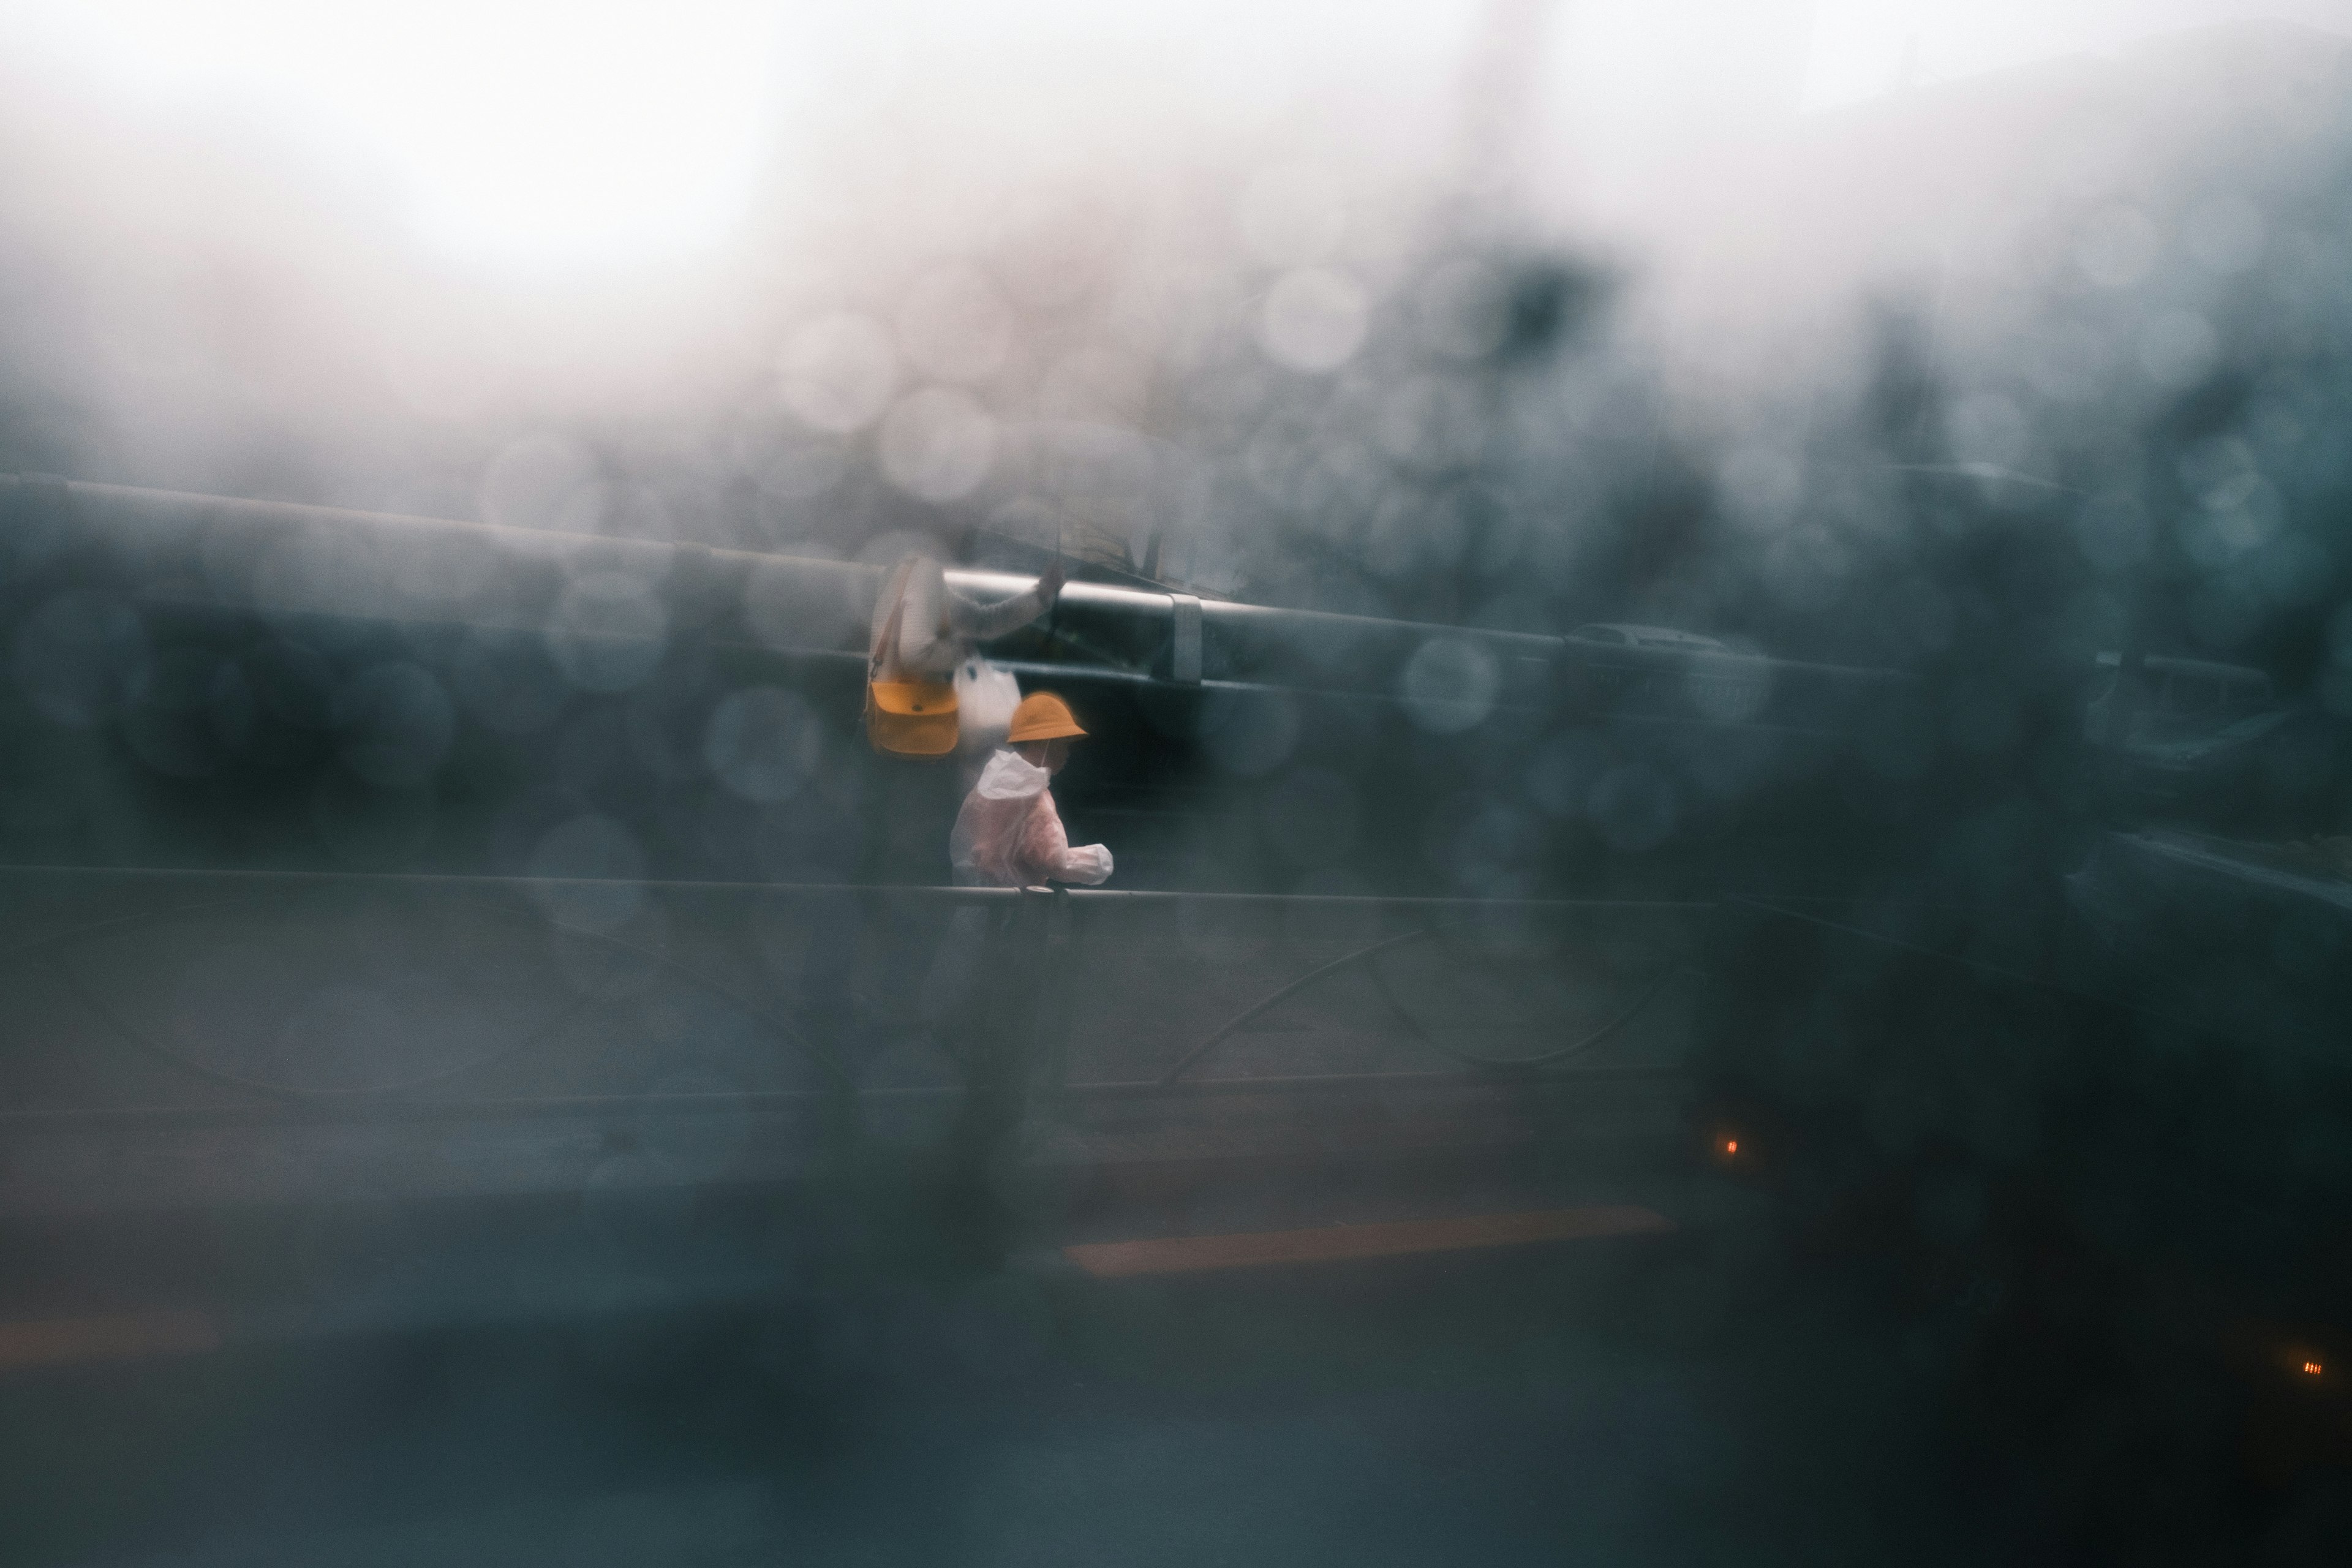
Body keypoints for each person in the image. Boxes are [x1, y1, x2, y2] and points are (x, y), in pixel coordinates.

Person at [948, 692, 1113, 888]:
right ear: (1045, 743)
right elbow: (1051, 860)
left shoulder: (990, 783)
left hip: (975, 902)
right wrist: (1098, 862)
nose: (1067, 754)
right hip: (1015, 910)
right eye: (1063, 745)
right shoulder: (1035, 798)